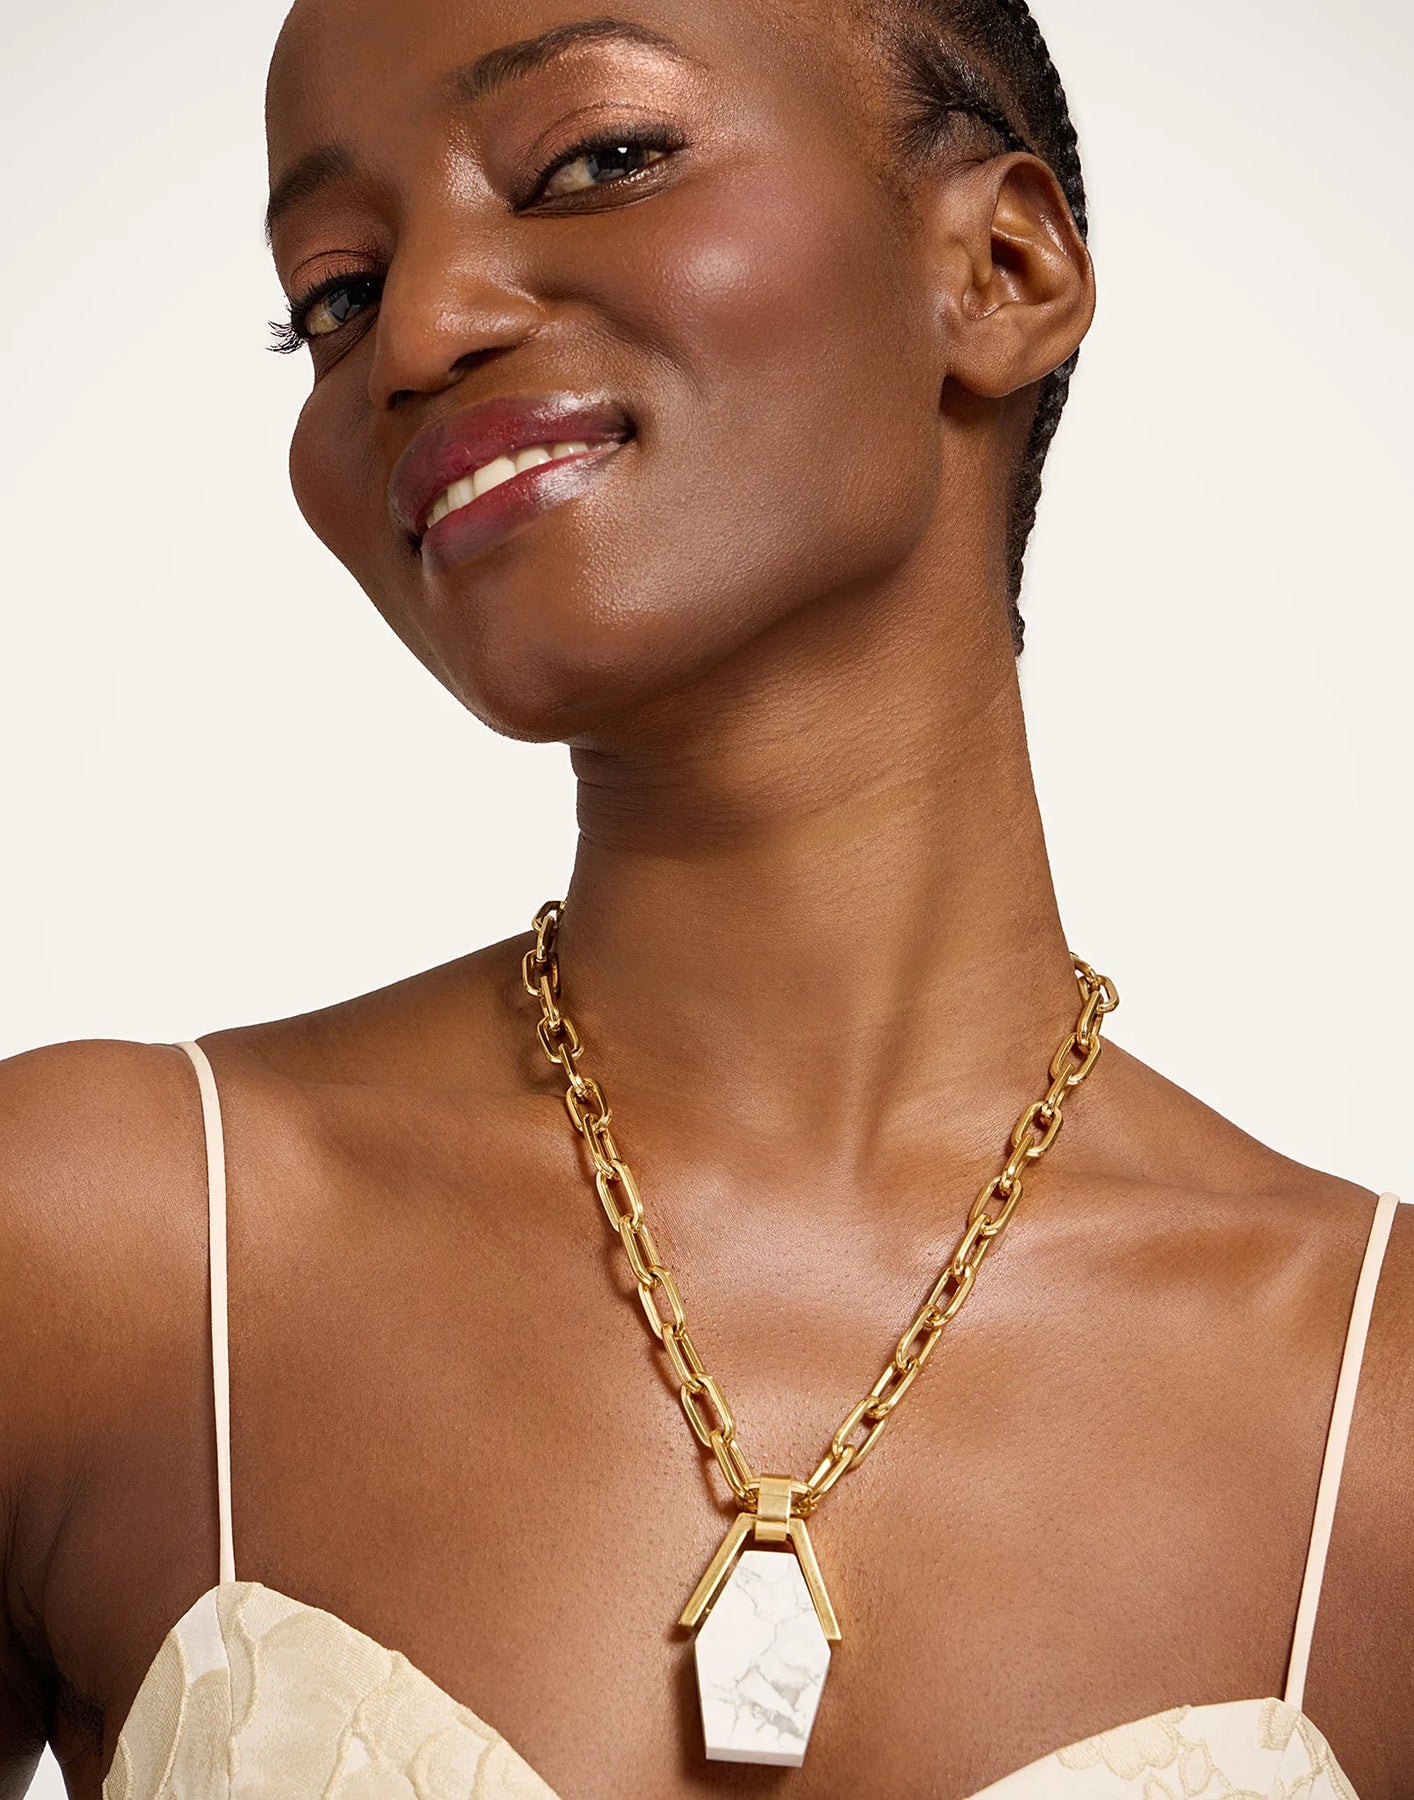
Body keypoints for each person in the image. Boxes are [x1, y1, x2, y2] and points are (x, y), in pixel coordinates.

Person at [1, 0, 1407, 1795]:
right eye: (336, 293)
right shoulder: (97, 1257)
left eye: (598, 160)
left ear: (996, 270)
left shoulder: (1379, 1418)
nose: (416, 335)